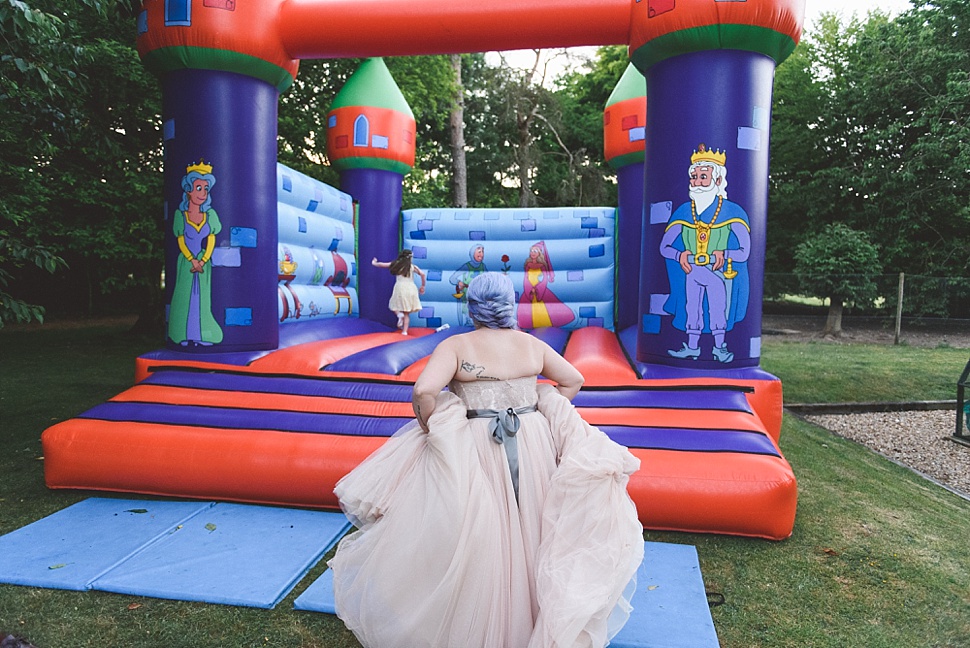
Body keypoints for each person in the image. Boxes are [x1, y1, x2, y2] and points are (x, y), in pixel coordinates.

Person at [328, 272, 644, 648]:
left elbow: (424, 391)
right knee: (534, 524)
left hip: (476, 443)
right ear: (510, 306)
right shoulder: (531, 345)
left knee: (478, 530)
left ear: (472, 307)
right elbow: (573, 379)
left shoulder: (457, 345)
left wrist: (434, 425)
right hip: (532, 441)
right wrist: (539, 406)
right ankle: (533, 621)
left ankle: (477, 619)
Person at [659, 143, 750, 363]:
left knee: (719, 308)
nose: (697, 182)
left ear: (717, 180)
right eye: (694, 177)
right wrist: (679, 255)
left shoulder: (732, 212)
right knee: (692, 307)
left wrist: (725, 253)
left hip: (717, 272)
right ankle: (693, 347)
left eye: (703, 177)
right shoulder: (684, 211)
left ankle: (719, 348)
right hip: (693, 269)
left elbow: (744, 251)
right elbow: (664, 247)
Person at [168, 159, 223, 347]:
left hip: (203, 261)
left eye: (205, 189)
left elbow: (212, 239)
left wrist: (203, 260)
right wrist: (192, 260)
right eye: (199, 188)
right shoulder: (180, 216)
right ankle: (183, 335)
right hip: (186, 261)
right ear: (189, 190)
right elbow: (180, 239)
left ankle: (202, 335)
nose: (203, 193)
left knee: (202, 298)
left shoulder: (210, 216)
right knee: (185, 297)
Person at [372, 249, 427, 335]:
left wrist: (374, 263)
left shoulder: (397, 264)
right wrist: (423, 286)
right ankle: (404, 331)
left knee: (393, 305)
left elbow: (383, 265)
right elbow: (423, 274)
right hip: (411, 288)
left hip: (400, 287)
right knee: (406, 312)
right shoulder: (412, 267)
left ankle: (398, 315)